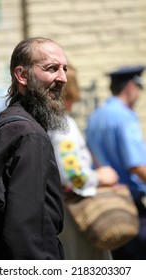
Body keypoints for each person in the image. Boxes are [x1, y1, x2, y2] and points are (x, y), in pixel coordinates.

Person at [0, 37, 68, 260]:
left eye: (64, 69)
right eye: (51, 68)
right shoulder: (29, 135)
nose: (62, 78)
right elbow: (26, 231)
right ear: (22, 75)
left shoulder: (7, 124)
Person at [48, 63, 118, 259]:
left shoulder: (43, 121)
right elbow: (74, 176)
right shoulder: (61, 125)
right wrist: (100, 177)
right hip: (74, 215)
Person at [86, 65, 146, 260]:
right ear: (130, 87)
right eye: (139, 88)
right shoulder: (124, 116)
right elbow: (136, 165)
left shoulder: (97, 116)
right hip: (129, 207)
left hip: (105, 207)